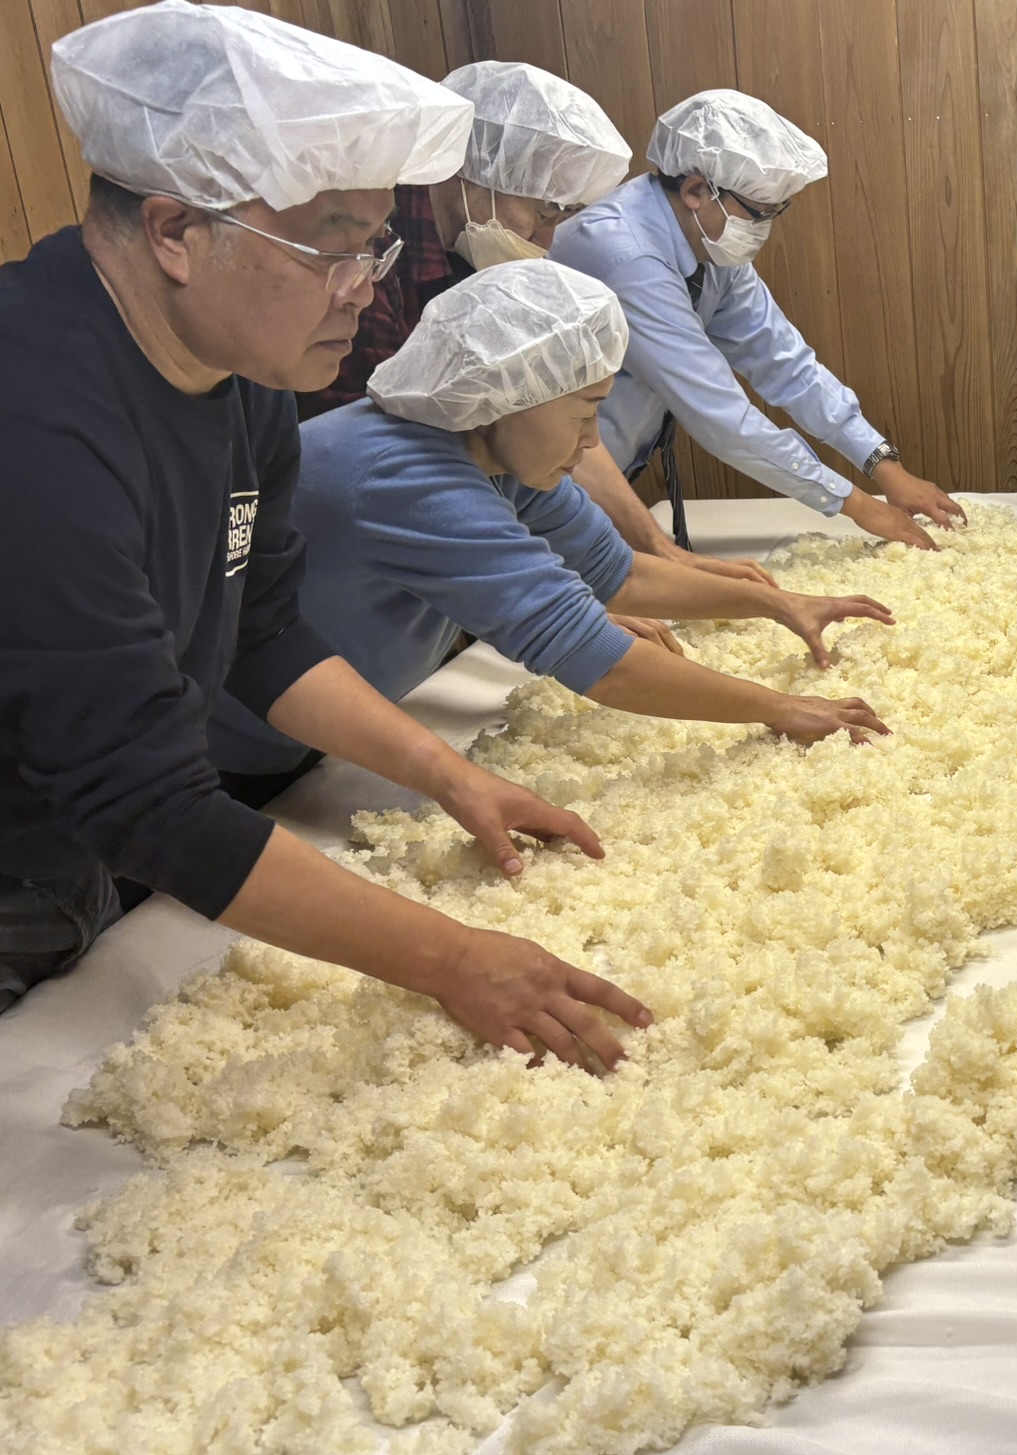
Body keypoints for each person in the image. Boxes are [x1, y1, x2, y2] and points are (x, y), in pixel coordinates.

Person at [0, 1, 650, 1072]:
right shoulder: (36, 418)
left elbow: (262, 635)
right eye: (330, 248)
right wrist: (450, 960)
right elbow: (146, 796)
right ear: (175, 231)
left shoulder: (245, 381)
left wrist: (451, 778)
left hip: (80, 850)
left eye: (378, 242)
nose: (369, 287)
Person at [208, 260, 892, 791]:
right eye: (584, 410)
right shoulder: (403, 475)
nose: (592, 441)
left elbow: (618, 576)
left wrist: (775, 603)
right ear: (512, 396)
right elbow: (595, 660)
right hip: (237, 751)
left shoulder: (490, 449)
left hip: (314, 736)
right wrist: (783, 709)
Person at [293, 60, 771, 588]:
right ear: (473, 170)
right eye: (543, 211)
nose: (546, 241)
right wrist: (559, 597)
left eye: (564, 217)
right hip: (342, 552)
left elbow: (554, 420)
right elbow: (396, 463)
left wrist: (650, 550)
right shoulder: (374, 260)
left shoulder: (476, 253)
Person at [550, 90, 962, 552]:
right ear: (695, 191)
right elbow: (723, 418)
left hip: (604, 469)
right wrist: (860, 506)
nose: (765, 228)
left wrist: (885, 466)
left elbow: (785, 363)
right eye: (760, 214)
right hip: (549, 473)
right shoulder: (625, 254)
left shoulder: (712, 239)